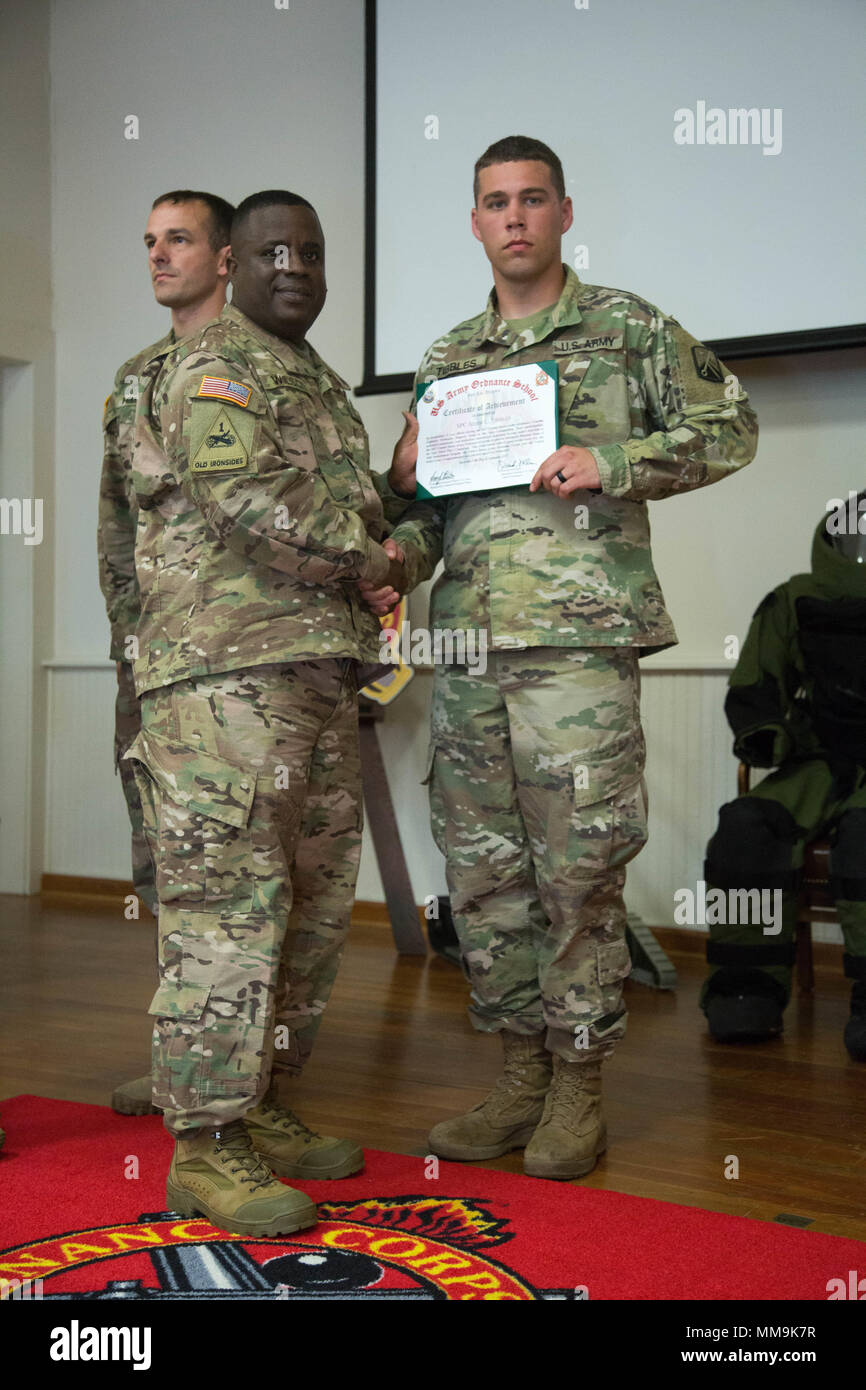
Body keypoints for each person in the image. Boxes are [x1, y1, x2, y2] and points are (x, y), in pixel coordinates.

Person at [362, 135, 758, 1180]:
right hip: (466, 645)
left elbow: (732, 423)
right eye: (495, 201)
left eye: (531, 199)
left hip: (577, 643)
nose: (514, 217)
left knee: (576, 866)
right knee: (485, 874)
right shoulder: (447, 357)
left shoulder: (624, 327)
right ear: (475, 221)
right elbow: (430, 518)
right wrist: (394, 519)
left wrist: (614, 458)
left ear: (563, 212)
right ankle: (518, 1074)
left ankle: (580, 1080)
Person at [127, 189, 414, 1237]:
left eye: (311, 250)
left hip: (318, 676)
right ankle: (203, 1146)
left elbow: (378, 524)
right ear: (232, 265)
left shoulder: (320, 385)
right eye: (270, 249)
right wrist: (373, 557)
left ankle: (262, 1106)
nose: (293, 264)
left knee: (309, 908)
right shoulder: (214, 365)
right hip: (221, 682)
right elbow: (247, 498)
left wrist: (402, 528)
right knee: (227, 914)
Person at [99, 190, 234, 1117]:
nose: (158, 256)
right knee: (163, 863)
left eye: (178, 239)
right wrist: (126, 639)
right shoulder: (132, 378)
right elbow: (115, 527)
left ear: (224, 256)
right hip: (150, 663)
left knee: (238, 871)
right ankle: (180, 1058)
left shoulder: (257, 367)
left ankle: (240, 1079)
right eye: (149, 242)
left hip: (237, 667)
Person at [701, 493, 866, 1060]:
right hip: (818, 760)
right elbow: (754, 684)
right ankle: (745, 992)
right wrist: (766, 733)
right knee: (747, 825)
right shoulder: (794, 599)